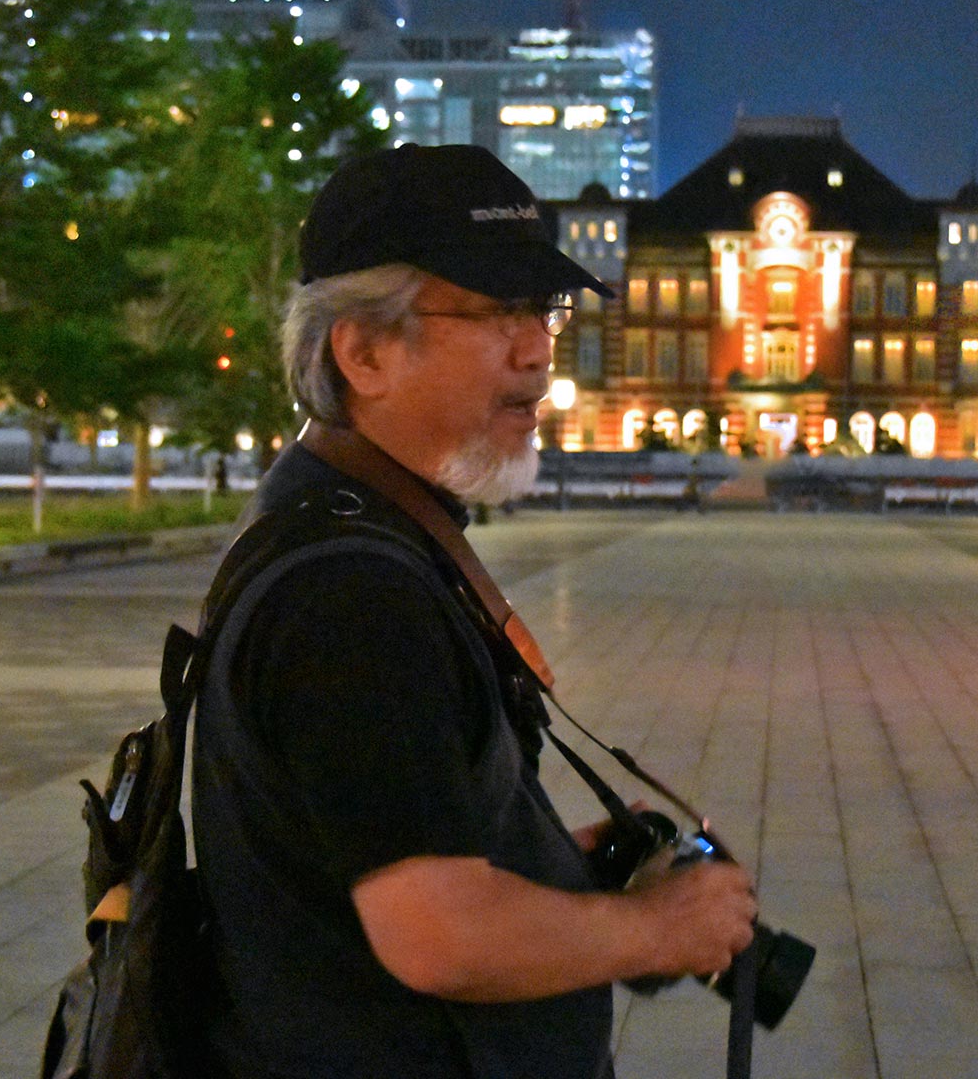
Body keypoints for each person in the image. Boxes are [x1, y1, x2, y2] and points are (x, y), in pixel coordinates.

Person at [190, 144, 757, 1079]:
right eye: (496, 312)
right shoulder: (350, 597)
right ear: (364, 351)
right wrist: (650, 928)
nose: (537, 348)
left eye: (543, 308)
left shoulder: (360, 527)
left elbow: (374, 840)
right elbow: (439, 936)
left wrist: (546, 858)